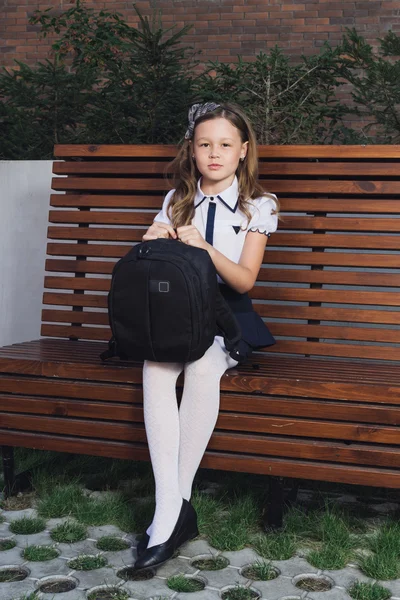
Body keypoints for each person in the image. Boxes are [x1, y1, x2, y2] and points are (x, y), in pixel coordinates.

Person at [133, 101, 280, 572]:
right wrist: (151, 243)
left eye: (224, 145)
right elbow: (159, 277)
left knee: (202, 367)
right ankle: (171, 510)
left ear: (242, 151)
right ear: (192, 152)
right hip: (179, 318)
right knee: (155, 367)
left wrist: (203, 247)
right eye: (204, 145)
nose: (214, 154)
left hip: (226, 322)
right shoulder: (177, 200)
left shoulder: (258, 205)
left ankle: (170, 515)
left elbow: (244, 280)